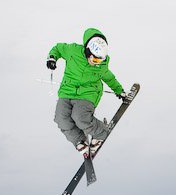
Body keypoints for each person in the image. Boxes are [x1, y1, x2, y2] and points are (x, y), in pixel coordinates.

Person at [46, 28, 126, 157]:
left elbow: (109, 78)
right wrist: (52, 58)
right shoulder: (72, 51)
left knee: (80, 117)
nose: (96, 64)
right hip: (67, 91)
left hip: (88, 94)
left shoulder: (101, 65)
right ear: (88, 51)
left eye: (100, 61)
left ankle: (101, 133)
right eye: (95, 60)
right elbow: (58, 48)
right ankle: (79, 140)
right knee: (61, 118)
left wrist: (119, 91)